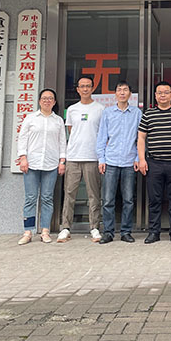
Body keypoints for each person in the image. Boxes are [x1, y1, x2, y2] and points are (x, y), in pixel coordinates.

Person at [138, 81, 171, 244]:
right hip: (154, 163)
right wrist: (142, 159)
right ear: (155, 95)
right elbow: (141, 138)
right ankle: (154, 232)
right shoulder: (148, 114)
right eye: (159, 92)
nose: (163, 95)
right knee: (154, 200)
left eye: (166, 92)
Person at [57, 75, 104, 243]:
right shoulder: (72, 109)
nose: (85, 89)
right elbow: (71, 130)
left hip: (92, 156)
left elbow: (102, 133)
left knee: (94, 194)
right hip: (73, 157)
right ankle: (65, 228)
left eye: (88, 86)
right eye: (82, 86)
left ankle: (94, 227)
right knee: (69, 194)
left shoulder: (100, 109)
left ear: (93, 88)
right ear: (77, 89)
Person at [16, 88, 67, 245]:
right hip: (31, 163)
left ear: (54, 102)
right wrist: (22, 158)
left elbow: (62, 142)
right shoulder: (31, 118)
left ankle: (45, 231)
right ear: (39, 101)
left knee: (47, 198)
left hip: (51, 164)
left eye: (50, 98)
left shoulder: (58, 120)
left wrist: (62, 161)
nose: (47, 101)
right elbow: (22, 139)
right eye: (44, 98)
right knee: (30, 198)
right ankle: (28, 231)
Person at [96, 81, 142, 244]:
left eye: (125, 90)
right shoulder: (108, 113)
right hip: (111, 160)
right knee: (108, 199)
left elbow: (141, 138)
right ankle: (108, 232)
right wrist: (101, 158)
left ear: (130, 94)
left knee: (128, 199)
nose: (122, 93)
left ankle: (126, 232)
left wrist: (138, 158)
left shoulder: (137, 113)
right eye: (119, 90)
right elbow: (102, 137)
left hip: (129, 160)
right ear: (115, 94)